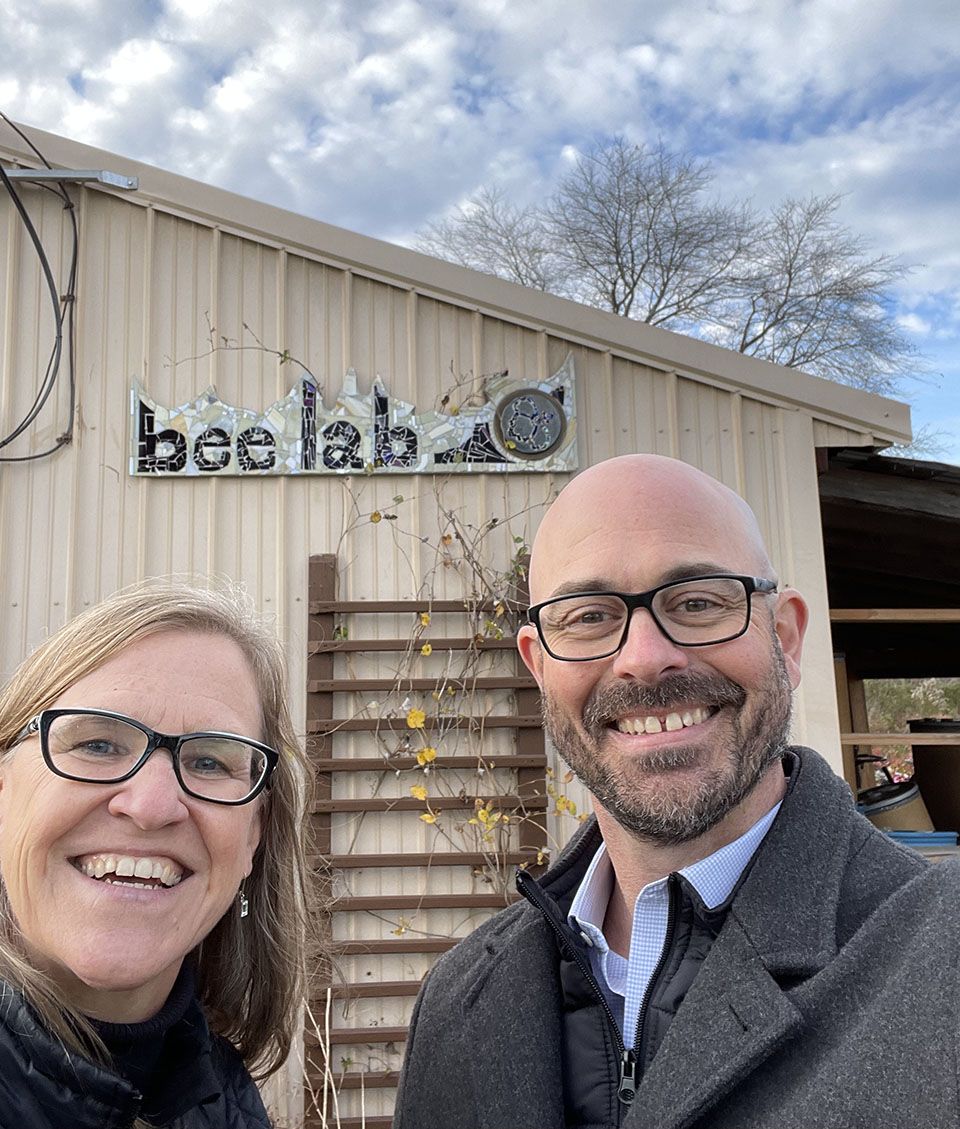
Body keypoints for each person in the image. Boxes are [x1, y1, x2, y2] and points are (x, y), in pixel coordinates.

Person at [395, 453, 960, 1129]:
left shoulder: (940, 962)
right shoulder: (457, 1004)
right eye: (589, 616)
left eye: (696, 602)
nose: (644, 656)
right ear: (540, 666)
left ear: (784, 637)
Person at [0, 581, 312, 1129]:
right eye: (97, 745)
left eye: (212, 763)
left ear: (252, 838)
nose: (151, 806)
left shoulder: (226, 1103)